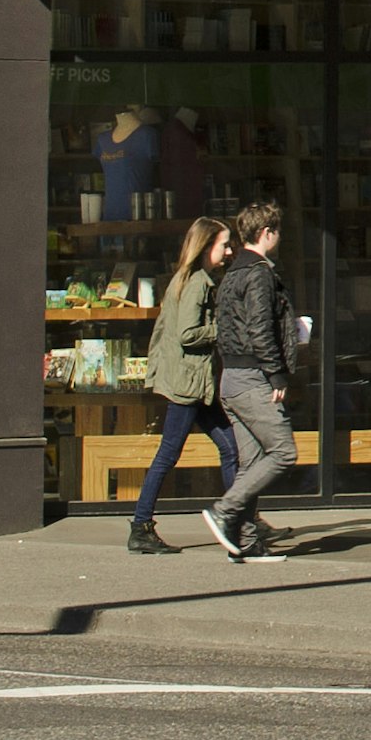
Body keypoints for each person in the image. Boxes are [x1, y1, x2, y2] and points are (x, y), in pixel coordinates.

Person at [127, 217, 240, 556]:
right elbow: (189, 334)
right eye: (224, 244)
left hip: (193, 382)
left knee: (231, 446)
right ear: (207, 247)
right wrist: (224, 328)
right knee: (168, 454)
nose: (229, 250)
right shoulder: (196, 284)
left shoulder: (190, 279)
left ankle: (239, 517)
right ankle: (140, 526)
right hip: (187, 384)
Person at [204, 199, 300, 563]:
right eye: (276, 231)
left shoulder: (232, 273)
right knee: (283, 452)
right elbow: (260, 327)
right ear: (266, 233)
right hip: (252, 377)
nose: (278, 237)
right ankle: (224, 510)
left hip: (231, 376)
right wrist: (276, 371)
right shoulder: (259, 273)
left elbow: (234, 327)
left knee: (251, 461)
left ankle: (245, 541)